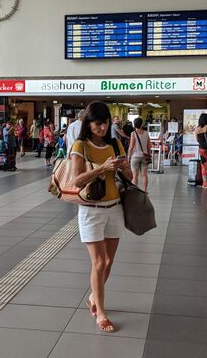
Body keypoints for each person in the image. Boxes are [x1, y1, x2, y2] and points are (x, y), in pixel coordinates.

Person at [69, 101, 133, 333]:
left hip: (114, 207)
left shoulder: (115, 144)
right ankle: (101, 312)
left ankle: (93, 297)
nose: (102, 127)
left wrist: (123, 168)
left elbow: (130, 176)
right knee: (98, 262)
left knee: (108, 262)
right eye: (97, 123)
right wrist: (102, 168)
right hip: (91, 210)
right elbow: (76, 180)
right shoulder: (80, 146)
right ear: (88, 123)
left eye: (105, 123)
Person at [128, 117, 151, 192]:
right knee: (144, 175)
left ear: (134, 125)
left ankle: (134, 192)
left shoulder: (133, 133)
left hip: (135, 157)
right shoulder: (146, 133)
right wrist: (149, 154)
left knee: (135, 176)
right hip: (144, 156)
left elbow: (131, 147)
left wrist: (129, 156)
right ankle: (145, 191)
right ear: (141, 124)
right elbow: (148, 146)